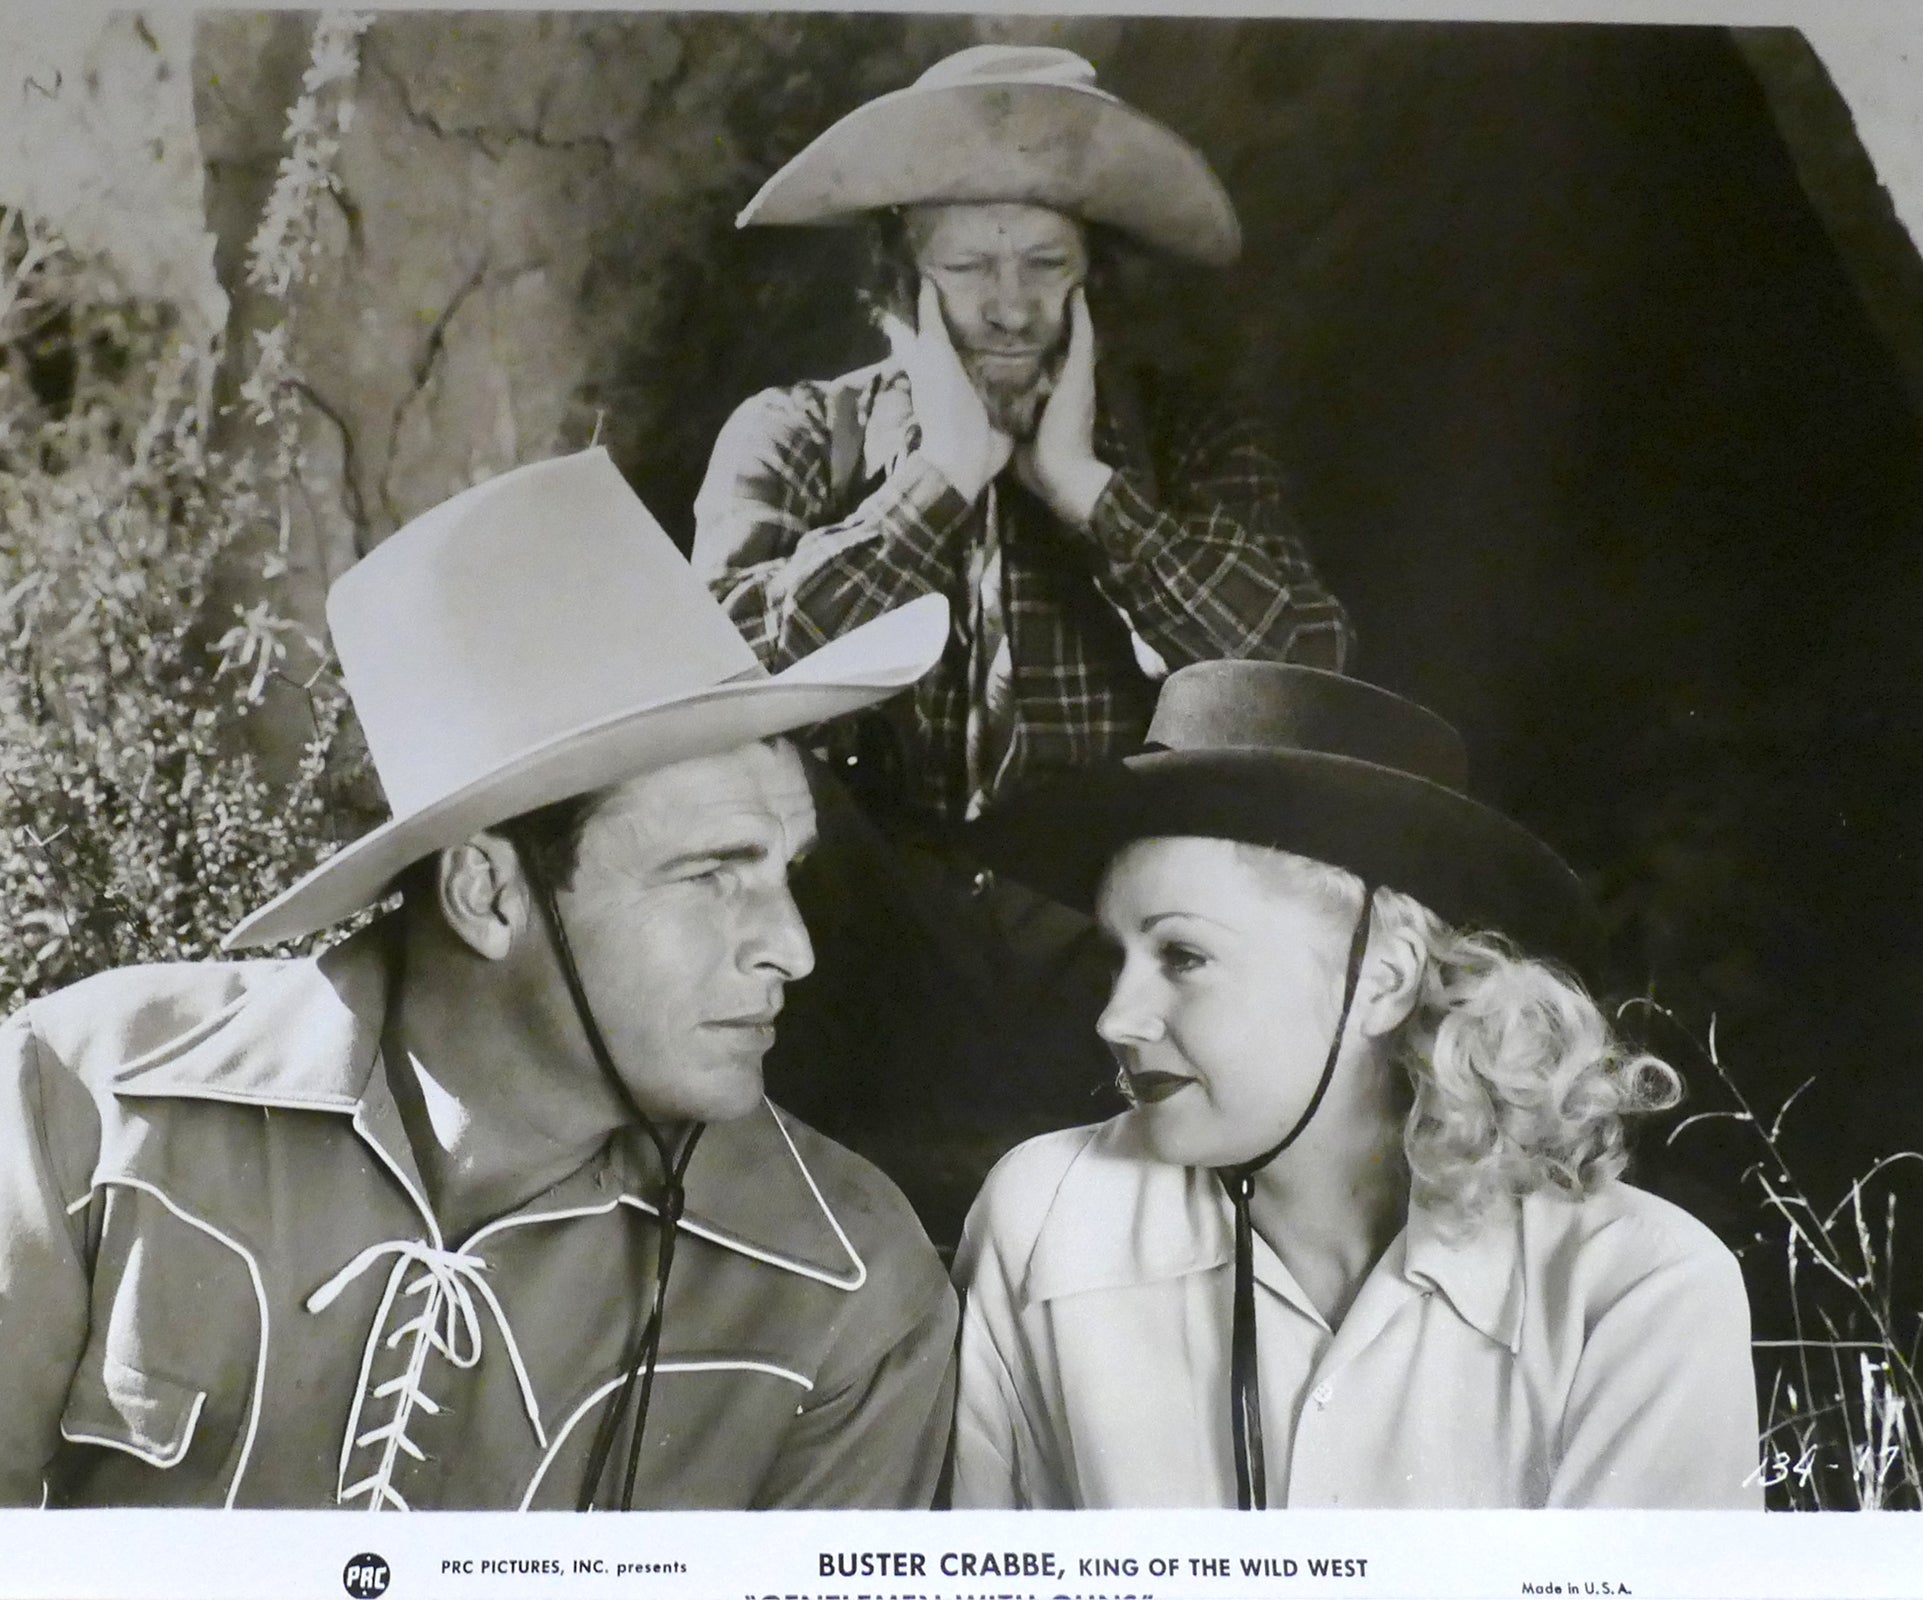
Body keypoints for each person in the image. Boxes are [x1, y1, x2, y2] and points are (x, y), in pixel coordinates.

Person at [0, 449, 959, 1510]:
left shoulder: (850, 1294)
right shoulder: (83, 1102)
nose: (792, 945)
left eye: (786, 872)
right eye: (711, 876)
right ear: (489, 894)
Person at [691, 45, 1354, 1241]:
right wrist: (938, 480)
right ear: (900, 280)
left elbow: (1303, 665)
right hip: (857, 937)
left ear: (1093, 274)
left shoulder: (1189, 439)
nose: (1007, 303)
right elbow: (710, 673)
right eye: (967, 266)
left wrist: (1089, 491)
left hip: (1101, 934)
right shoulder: (793, 434)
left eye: (1044, 264)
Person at [951, 659, 1761, 1508]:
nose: (1117, 1018)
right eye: (1117, 958)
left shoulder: (1636, 1291)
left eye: (1182, 956)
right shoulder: (1046, 1213)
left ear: (1382, 975)